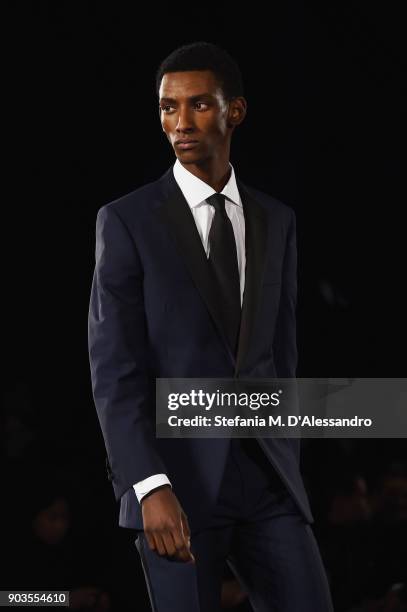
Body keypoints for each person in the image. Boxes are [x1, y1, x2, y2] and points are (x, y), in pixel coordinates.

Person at [88, 41, 334, 612]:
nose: (180, 122)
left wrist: (287, 456)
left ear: (235, 111)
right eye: (168, 108)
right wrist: (147, 485)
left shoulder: (277, 220)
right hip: (177, 483)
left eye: (198, 105)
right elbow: (114, 370)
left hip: (268, 481)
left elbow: (282, 355)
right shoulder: (127, 221)